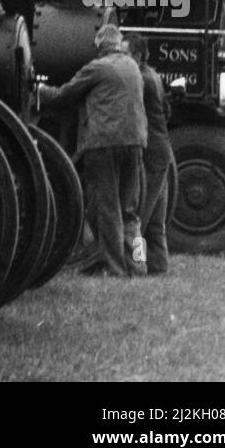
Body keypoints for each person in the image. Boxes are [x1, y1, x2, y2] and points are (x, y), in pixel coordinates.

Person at [39, 23, 147, 277]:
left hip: (105, 143)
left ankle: (115, 268)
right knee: (129, 210)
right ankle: (139, 264)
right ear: (118, 44)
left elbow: (63, 95)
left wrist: (40, 91)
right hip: (135, 143)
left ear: (99, 46)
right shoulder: (132, 66)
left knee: (107, 207)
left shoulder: (97, 67)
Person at [125, 34, 171, 275]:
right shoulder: (153, 75)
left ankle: (137, 264)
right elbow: (166, 110)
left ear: (139, 55)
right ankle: (159, 264)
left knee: (140, 213)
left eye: (127, 53)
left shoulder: (139, 78)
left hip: (151, 151)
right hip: (162, 149)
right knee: (156, 217)